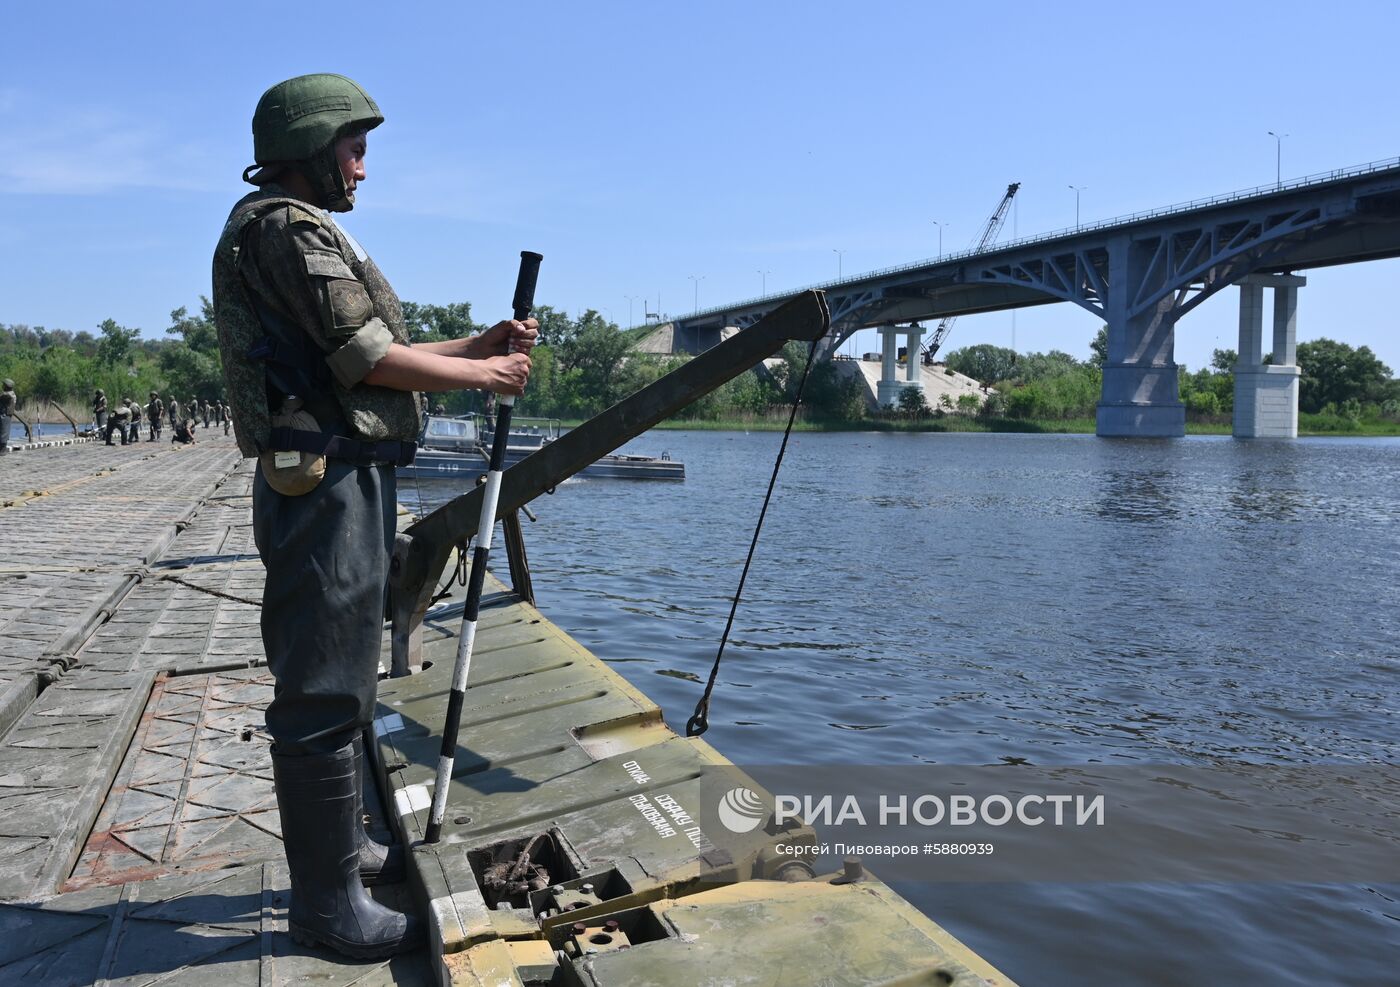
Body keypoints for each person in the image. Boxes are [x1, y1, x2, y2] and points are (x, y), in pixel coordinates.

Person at [213, 73, 535, 960]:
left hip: (343, 478)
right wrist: (486, 379)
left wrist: (480, 347)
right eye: (354, 150)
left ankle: (344, 854)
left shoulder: (302, 229)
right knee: (321, 685)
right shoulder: (283, 228)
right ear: (313, 148)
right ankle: (326, 909)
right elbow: (366, 359)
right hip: (321, 486)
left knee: (348, 667)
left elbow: (378, 352)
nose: (362, 168)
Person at [0, 379, 15, 454]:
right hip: (6, 415)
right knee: (4, 431)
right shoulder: (12, 394)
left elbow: (2, 397)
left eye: (3, 385)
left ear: (6, 386)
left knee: (3, 431)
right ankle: (2, 448)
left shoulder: (7, 395)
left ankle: (2, 450)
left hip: (4, 415)